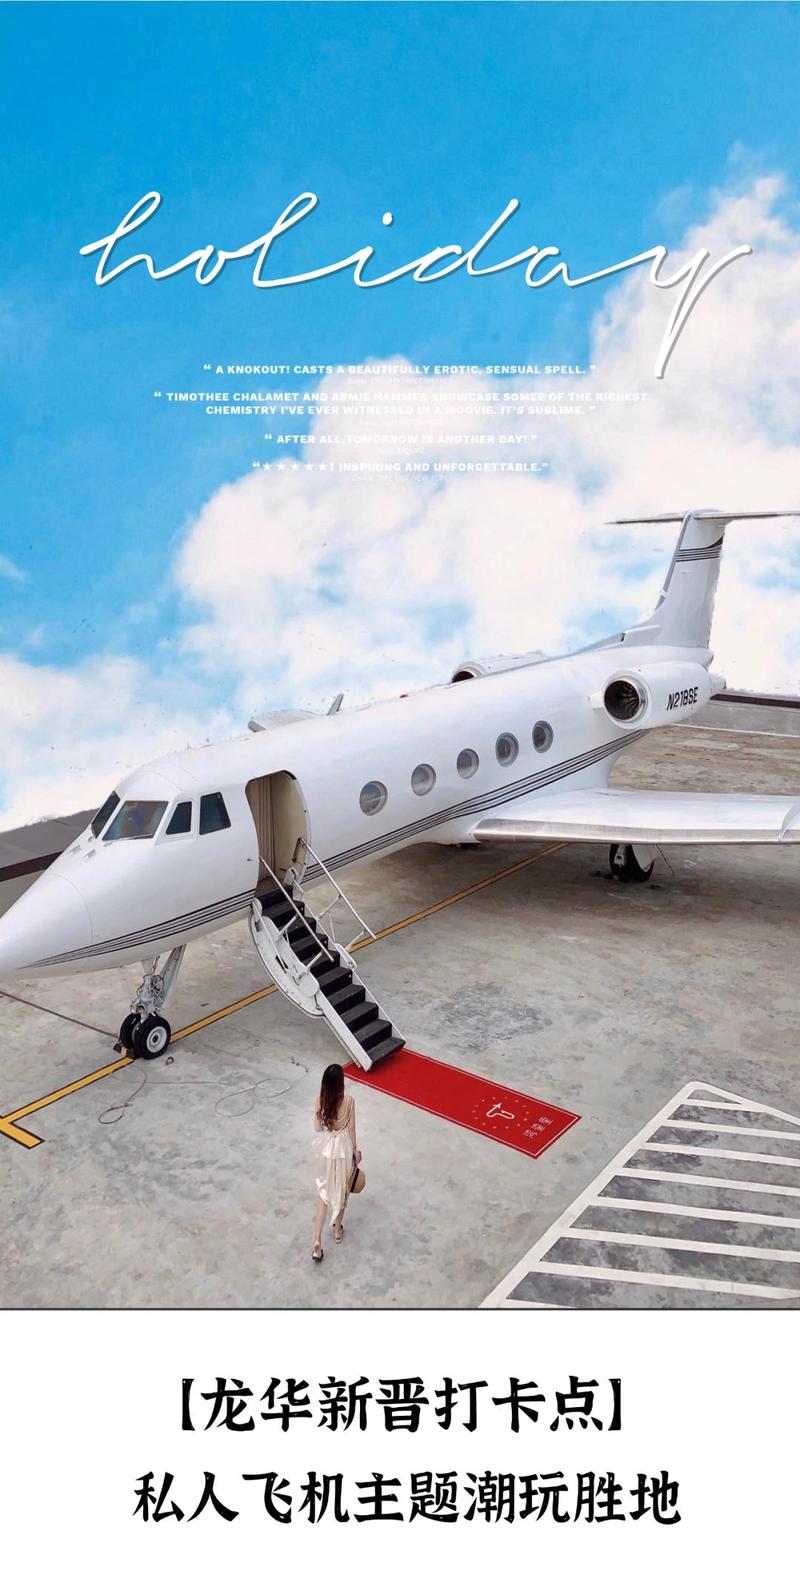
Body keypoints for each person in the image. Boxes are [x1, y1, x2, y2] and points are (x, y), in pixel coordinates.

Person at [312, 1062, 361, 1261]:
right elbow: (351, 1129)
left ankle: (317, 1241)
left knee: (323, 1192)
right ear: (341, 1083)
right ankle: (338, 1229)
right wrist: (355, 1151)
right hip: (343, 1148)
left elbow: (318, 1128)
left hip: (327, 1149)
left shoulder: (320, 1101)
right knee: (342, 1188)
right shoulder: (349, 1101)